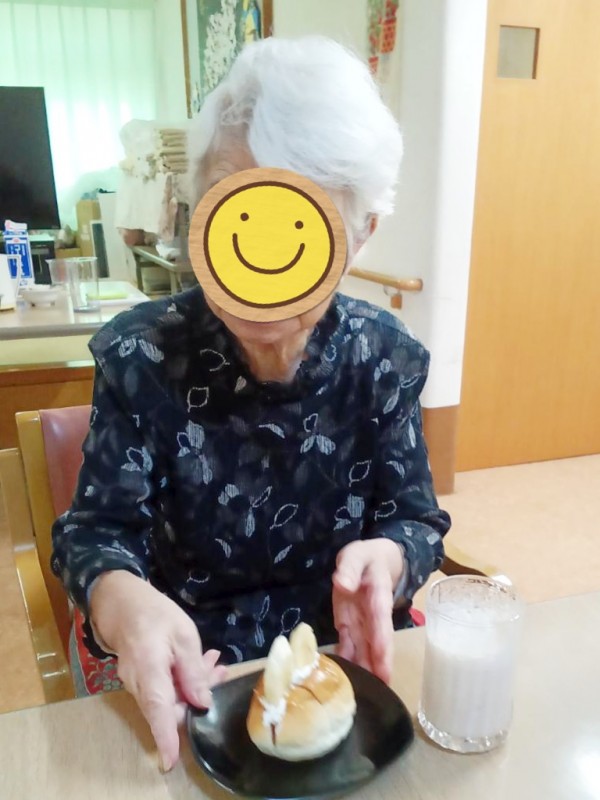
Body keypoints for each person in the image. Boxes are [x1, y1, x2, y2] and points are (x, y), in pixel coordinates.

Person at [51, 36, 450, 772]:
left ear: (362, 232)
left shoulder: (384, 357)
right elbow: (96, 534)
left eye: (298, 223)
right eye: (238, 213)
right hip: (194, 679)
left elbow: (416, 518)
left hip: (341, 674)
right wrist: (121, 601)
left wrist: (391, 558)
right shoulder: (143, 356)